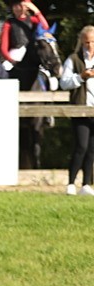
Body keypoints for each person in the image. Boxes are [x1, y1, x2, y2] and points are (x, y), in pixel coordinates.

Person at [59, 25, 94, 195]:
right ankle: (71, 183)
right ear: (82, 42)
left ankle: (86, 184)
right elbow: (64, 83)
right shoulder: (73, 59)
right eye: (87, 42)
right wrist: (81, 77)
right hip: (80, 109)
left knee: (92, 149)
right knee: (81, 145)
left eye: (93, 42)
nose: (90, 46)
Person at [0, 1, 49, 73]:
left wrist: (37, 11)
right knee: (5, 69)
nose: (17, 8)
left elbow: (45, 28)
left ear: (27, 7)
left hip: (33, 53)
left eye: (20, 5)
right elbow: (3, 48)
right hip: (16, 54)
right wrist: (11, 60)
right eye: (15, 5)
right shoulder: (8, 23)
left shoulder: (33, 20)